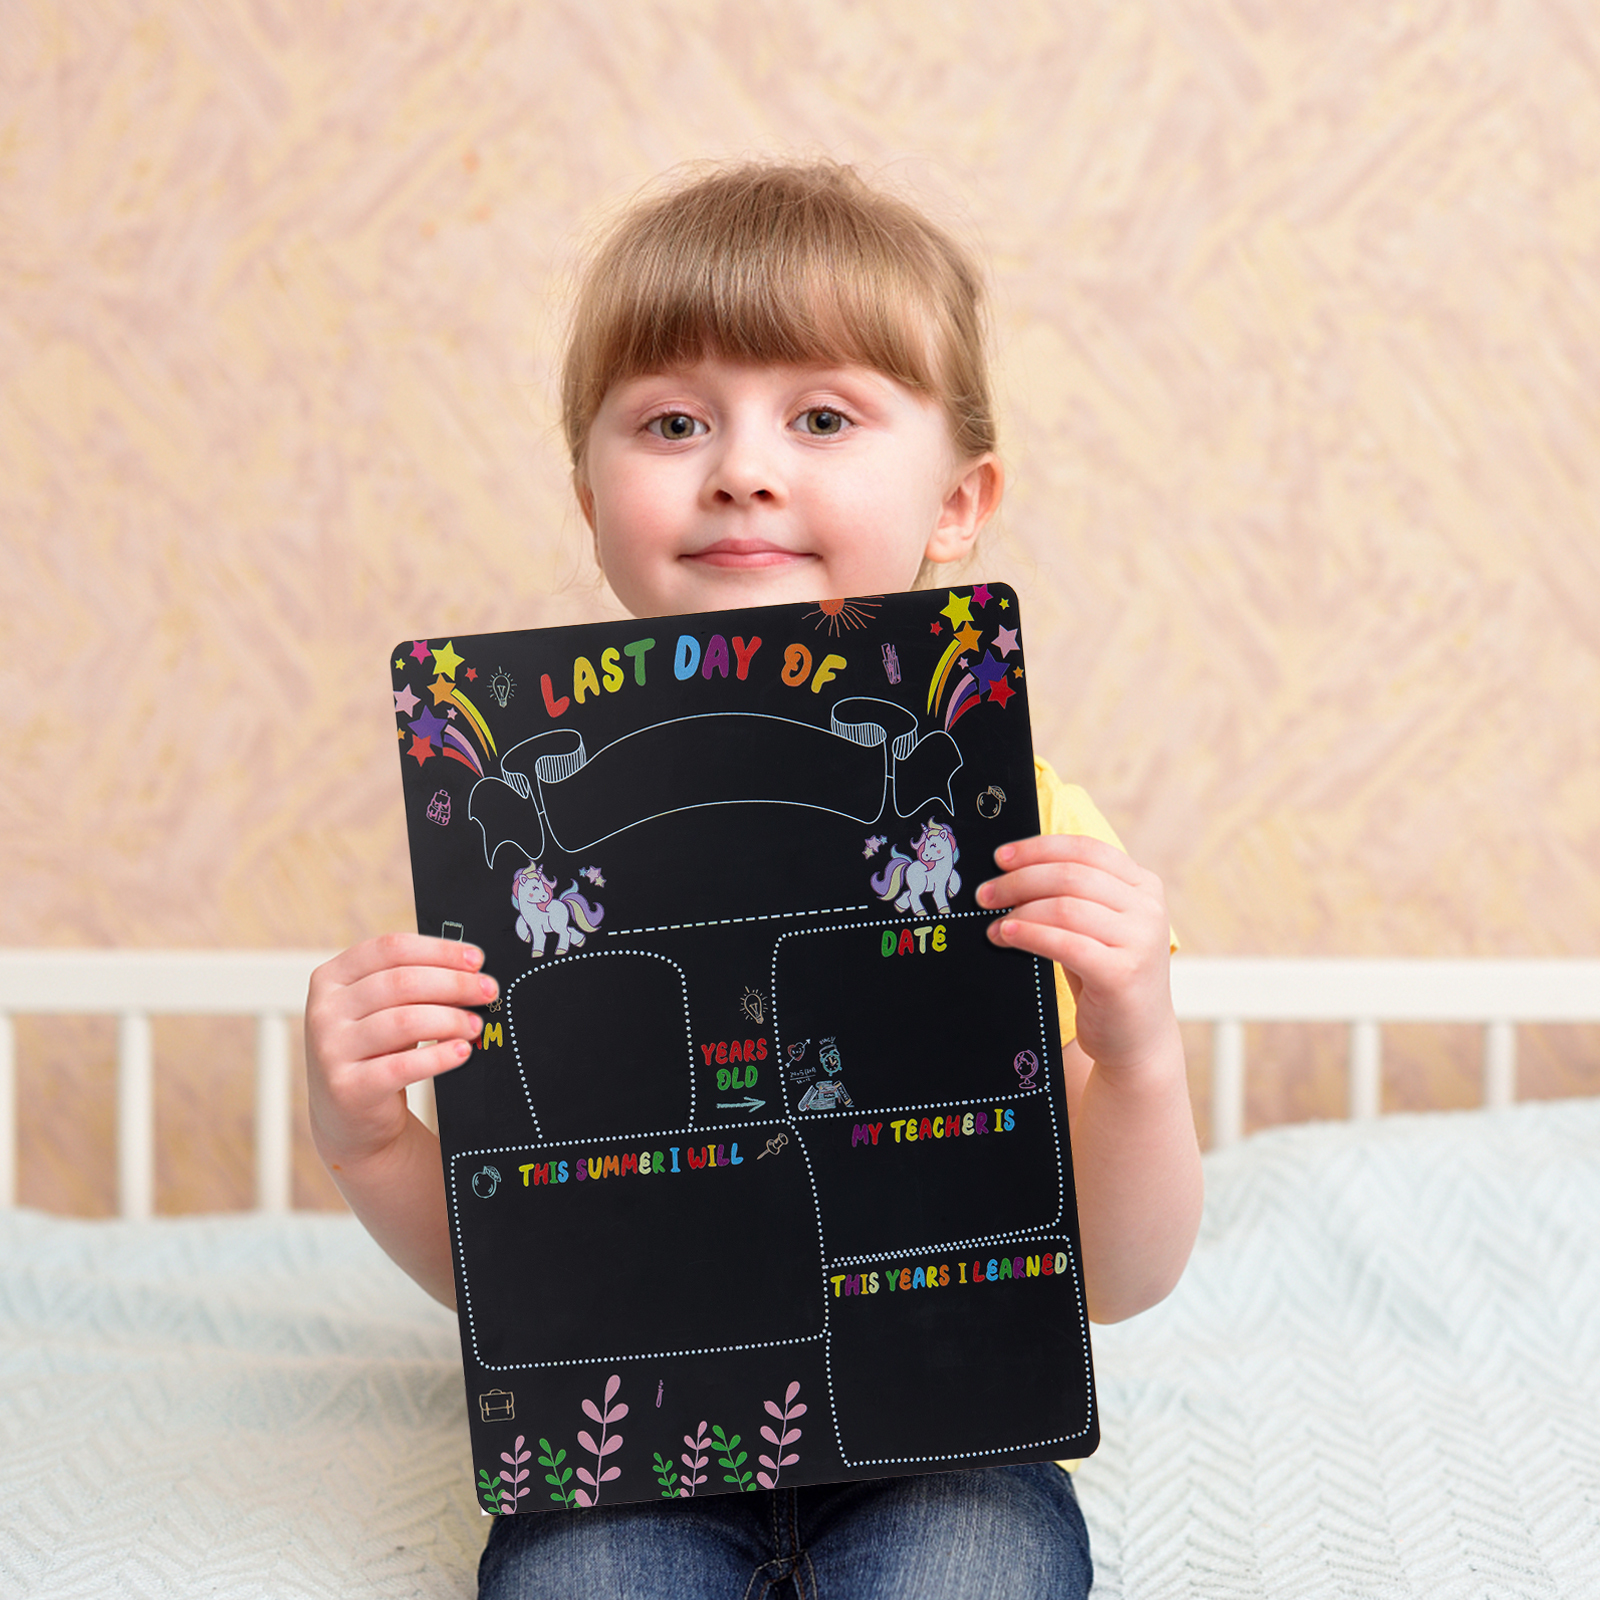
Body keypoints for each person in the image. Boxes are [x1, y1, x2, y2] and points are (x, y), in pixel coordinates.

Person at [305, 159, 1203, 1599]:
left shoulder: (1032, 832)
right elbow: (524, 1269)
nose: (742, 466)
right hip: (630, 1448)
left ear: (960, 500)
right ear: (591, 492)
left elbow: (1125, 1273)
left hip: (954, 1429)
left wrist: (1141, 1053)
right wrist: (367, 1142)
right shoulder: (529, 852)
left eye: (824, 416)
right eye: (672, 421)